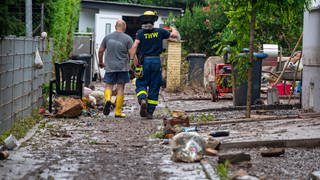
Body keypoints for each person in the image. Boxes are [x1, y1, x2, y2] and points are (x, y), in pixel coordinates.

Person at [130, 11, 179, 119]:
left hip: (145, 62)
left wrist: (132, 60)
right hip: (156, 61)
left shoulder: (140, 33)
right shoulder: (160, 31)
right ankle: (150, 111)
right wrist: (172, 28)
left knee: (141, 82)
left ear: (144, 21)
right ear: (154, 21)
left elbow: (134, 46)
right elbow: (174, 36)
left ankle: (142, 98)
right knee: (154, 86)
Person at [98, 19, 133, 118]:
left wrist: (101, 62)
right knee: (120, 88)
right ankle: (118, 112)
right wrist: (136, 65)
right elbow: (132, 54)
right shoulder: (128, 39)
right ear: (124, 27)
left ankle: (108, 99)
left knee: (108, 86)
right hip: (123, 67)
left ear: (115, 26)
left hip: (110, 67)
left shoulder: (108, 37)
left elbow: (101, 51)